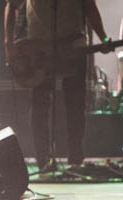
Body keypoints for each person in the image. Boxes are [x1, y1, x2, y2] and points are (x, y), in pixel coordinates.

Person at [6, 0, 111, 170]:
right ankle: (43, 159)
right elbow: (11, 5)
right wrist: (8, 43)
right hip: (39, 46)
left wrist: (103, 37)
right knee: (40, 104)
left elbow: (89, 7)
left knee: (76, 102)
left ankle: (75, 158)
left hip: (73, 43)